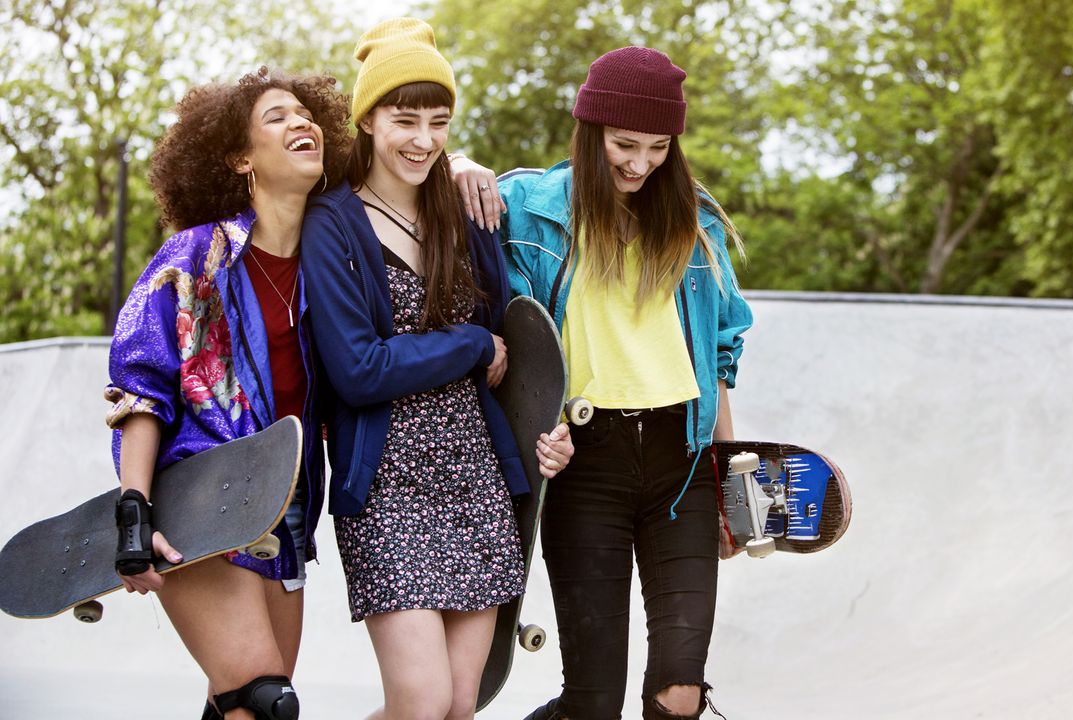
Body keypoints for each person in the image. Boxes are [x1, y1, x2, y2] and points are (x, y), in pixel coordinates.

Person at [299, 18, 575, 720]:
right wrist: (471, 349)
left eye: (439, 121)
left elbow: (519, 329)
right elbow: (358, 369)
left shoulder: (465, 210)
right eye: (404, 118)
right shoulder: (332, 223)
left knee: (459, 704)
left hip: (475, 477)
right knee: (419, 703)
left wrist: (546, 425)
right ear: (368, 119)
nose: (423, 139)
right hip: (386, 482)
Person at [490, 46, 753, 720]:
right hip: (586, 465)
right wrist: (461, 166)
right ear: (589, 131)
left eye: (659, 147)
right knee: (593, 702)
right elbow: (512, 338)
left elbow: (718, 359)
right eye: (623, 144)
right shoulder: (528, 209)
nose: (640, 163)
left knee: (680, 693)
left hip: (683, 467)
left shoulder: (694, 224)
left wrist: (728, 477)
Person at [106, 67, 349, 719]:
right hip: (202, 495)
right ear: (241, 158)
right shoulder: (194, 259)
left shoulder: (334, 265)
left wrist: (462, 164)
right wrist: (135, 507)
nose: (301, 123)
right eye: (277, 117)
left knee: (238, 704)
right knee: (263, 698)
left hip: (287, 506)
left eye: (306, 115)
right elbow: (141, 388)